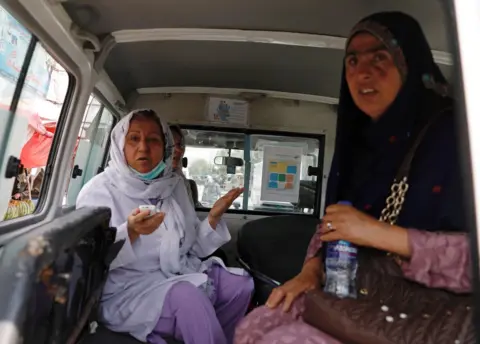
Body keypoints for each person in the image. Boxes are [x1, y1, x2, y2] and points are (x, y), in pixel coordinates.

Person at [234, 11, 467, 343]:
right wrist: (311, 269)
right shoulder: (357, 148)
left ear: (409, 64)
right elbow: (333, 223)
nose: (363, 73)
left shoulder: (457, 138)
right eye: (353, 61)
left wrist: (379, 234)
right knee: (258, 324)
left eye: (380, 57)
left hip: (429, 314)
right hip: (357, 293)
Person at [76, 109, 253, 344]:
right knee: (188, 299)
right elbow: (90, 260)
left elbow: (191, 247)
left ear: (165, 147)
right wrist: (129, 232)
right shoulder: (99, 191)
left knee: (241, 285)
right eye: (134, 138)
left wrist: (212, 218)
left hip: (177, 271)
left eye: (153, 140)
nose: (143, 148)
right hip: (130, 290)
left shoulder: (174, 185)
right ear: (120, 144)